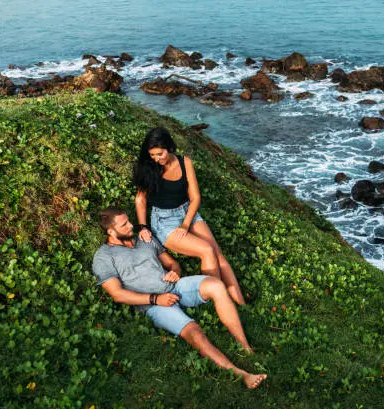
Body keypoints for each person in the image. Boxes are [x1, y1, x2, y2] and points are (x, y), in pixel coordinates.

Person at [91, 207, 266, 389]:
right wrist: (155, 300)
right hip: (153, 305)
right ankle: (242, 374)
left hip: (174, 287)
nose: (130, 225)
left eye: (129, 221)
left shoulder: (144, 238)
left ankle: (246, 347)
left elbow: (172, 262)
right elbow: (117, 294)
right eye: (124, 224)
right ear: (111, 231)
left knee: (216, 285)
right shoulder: (103, 257)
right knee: (194, 332)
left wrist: (175, 272)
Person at [133, 127, 245, 305]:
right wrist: (143, 227)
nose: (156, 158)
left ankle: (240, 303)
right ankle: (216, 299)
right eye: (153, 155)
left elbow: (195, 198)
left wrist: (185, 224)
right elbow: (140, 199)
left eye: (159, 154)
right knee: (206, 251)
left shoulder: (185, 163)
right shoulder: (149, 167)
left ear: (169, 148)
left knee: (217, 253)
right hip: (164, 220)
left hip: (187, 212)